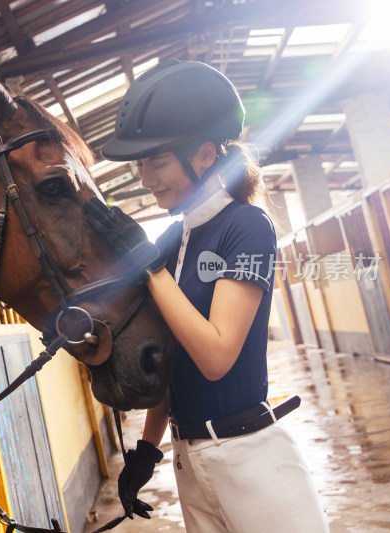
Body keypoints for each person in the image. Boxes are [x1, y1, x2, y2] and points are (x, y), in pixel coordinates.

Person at [85, 59, 329, 532]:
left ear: (204, 155)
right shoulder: (175, 240)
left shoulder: (248, 227)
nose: (144, 178)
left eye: (156, 161)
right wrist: (148, 451)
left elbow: (216, 355)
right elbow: (173, 357)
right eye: (140, 165)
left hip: (249, 460)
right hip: (188, 461)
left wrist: (150, 267)